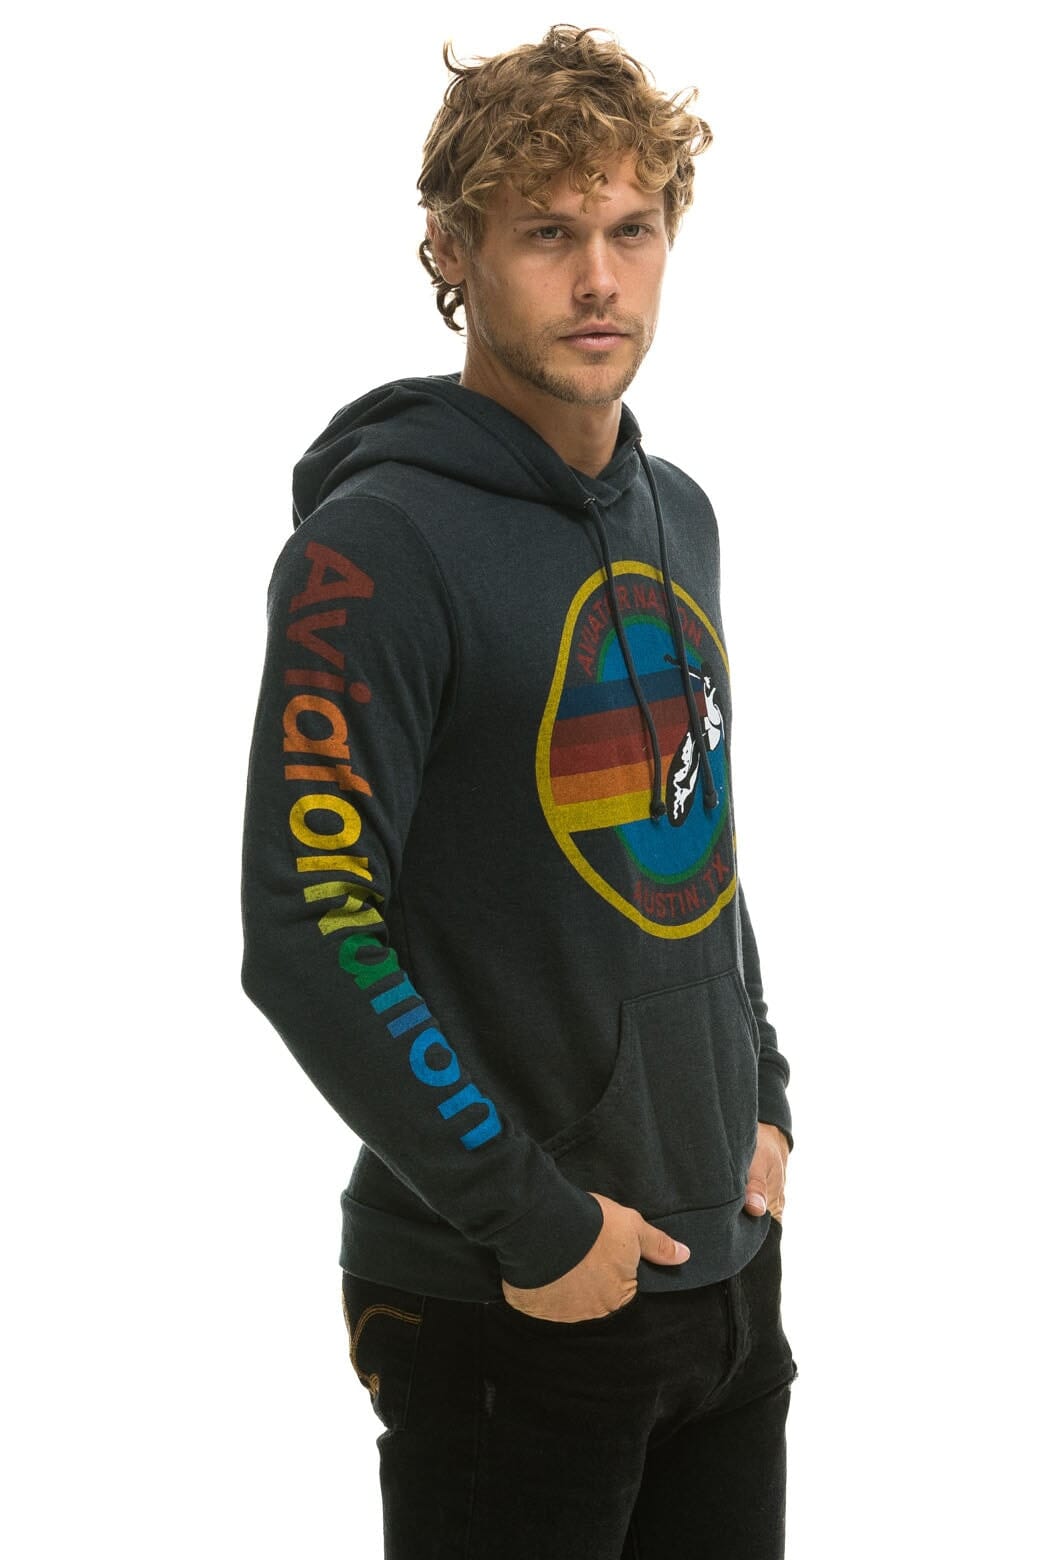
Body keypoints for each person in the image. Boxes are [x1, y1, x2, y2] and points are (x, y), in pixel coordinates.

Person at [241, 22, 797, 1559]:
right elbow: (307, 928)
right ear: (452, 248)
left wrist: (760, 1093)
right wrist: (531, 1219)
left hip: (720, 1282)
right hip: (513, 1298)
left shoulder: (678, 514)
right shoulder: (375, 550)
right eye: (549, 234)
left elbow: (695, 836)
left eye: (632, 229)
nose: (600, 280)